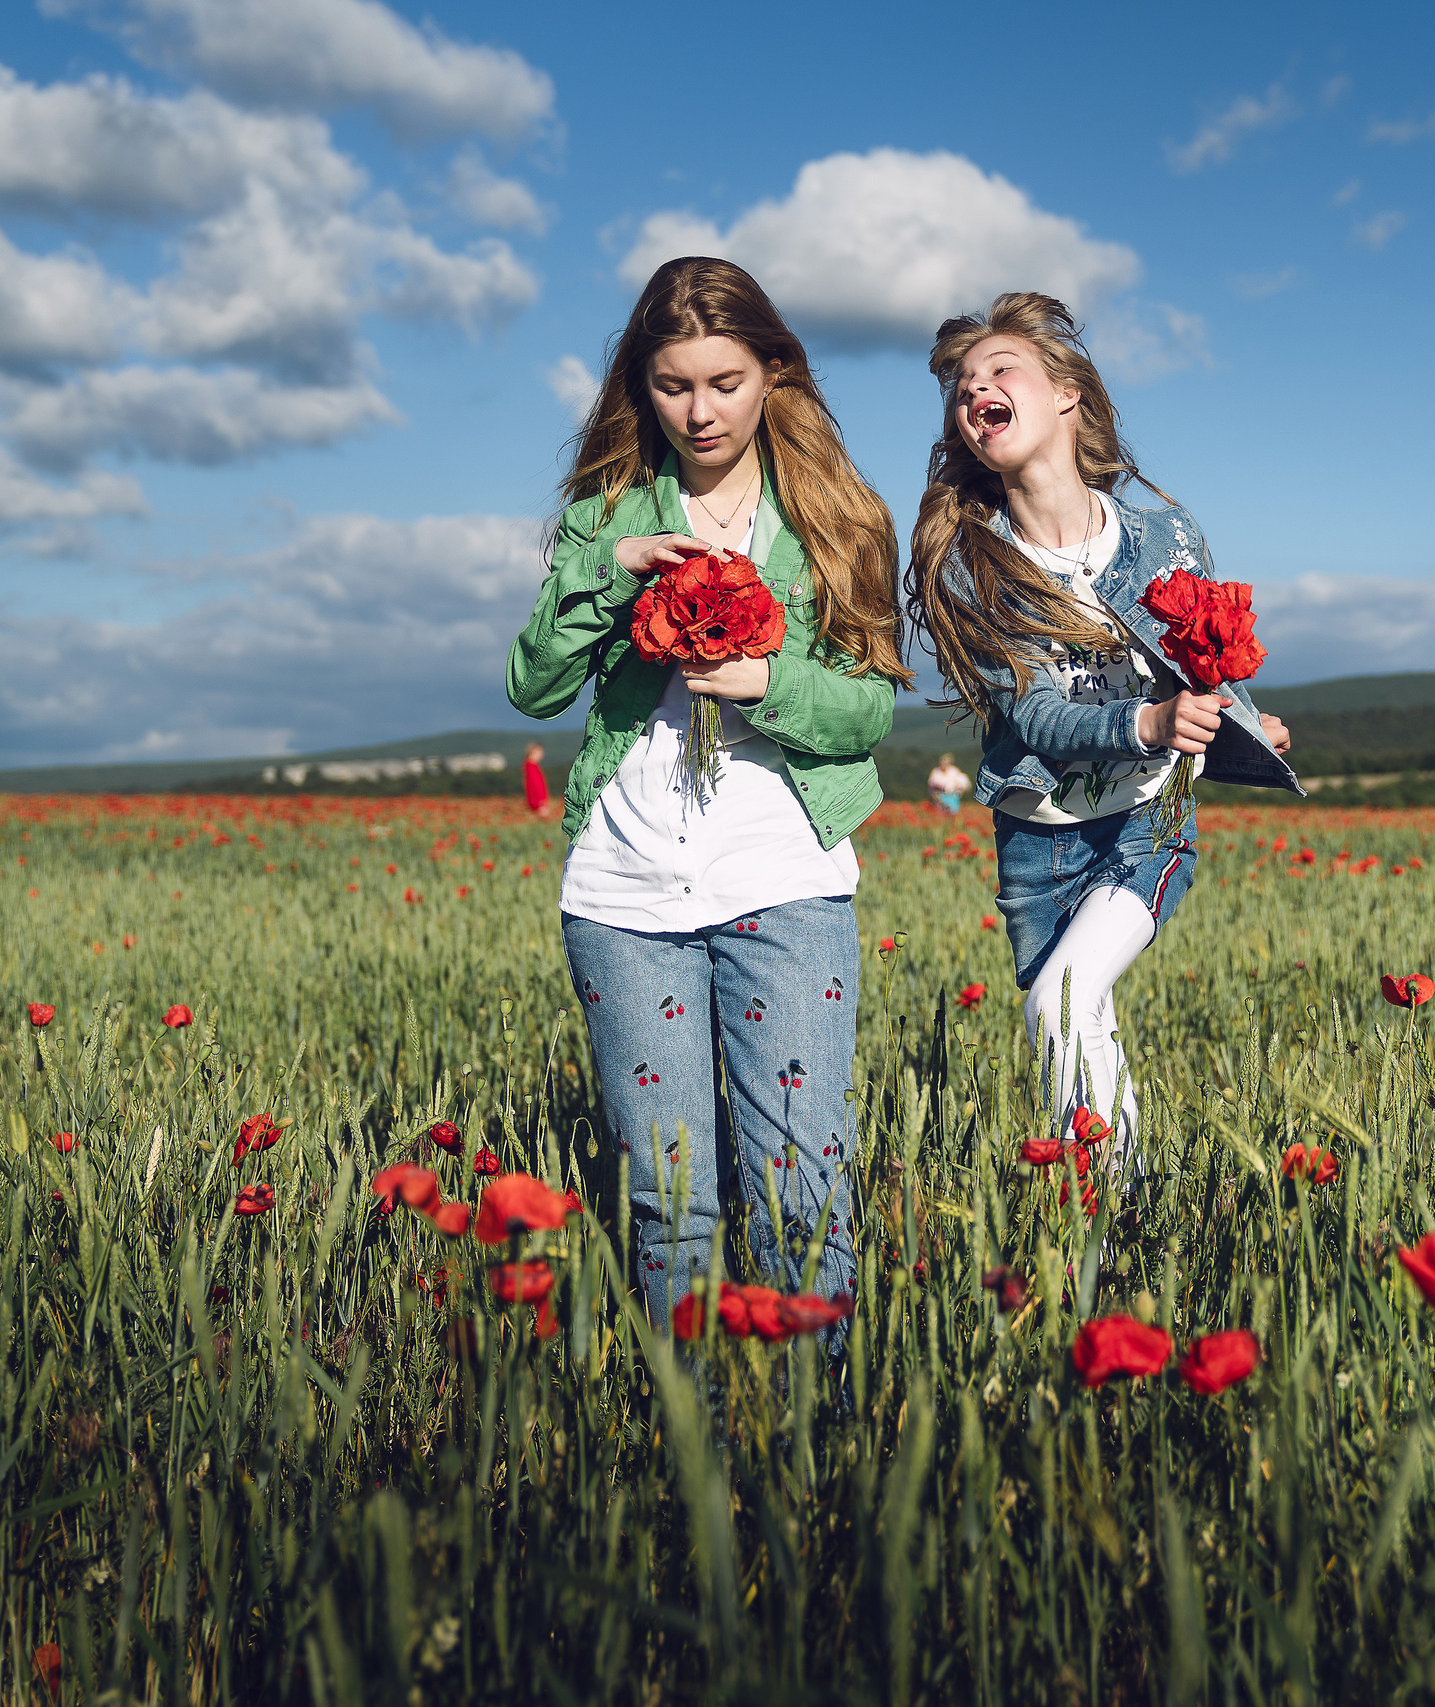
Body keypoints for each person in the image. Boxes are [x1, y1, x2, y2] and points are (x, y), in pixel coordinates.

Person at [507, 256, 908, 1324]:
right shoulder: (607, 516)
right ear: (641, 384)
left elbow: (872, 709)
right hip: (623, 896)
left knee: (799, 1193)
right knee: (667, 1201)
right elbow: (532, 686)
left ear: (774, 371)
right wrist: (609, 572)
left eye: (724, 383)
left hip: (786, 884)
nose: (699, 412)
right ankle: (688, 1453)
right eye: (672, 385)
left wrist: (766, 683)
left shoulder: (838, 516)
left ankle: (809, 1458)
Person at [905, 293, 1299, 1161]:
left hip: (1147, 822)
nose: (976, 392)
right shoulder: (978, 566)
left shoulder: (1164, 534)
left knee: (1060, 1000)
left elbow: (1204, 659)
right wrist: (1153, 719)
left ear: (1066, 396)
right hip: (1039, 836)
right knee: (1081, 1023)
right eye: (963, 388)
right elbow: (1035, 713)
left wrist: (1235, 719)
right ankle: (1113, 1222)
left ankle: (1102, 1206)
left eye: (1000, 371)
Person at [520, 741, 550, 817]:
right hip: (537, 800)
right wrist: (540, 800)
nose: (542, 754)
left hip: (535, 799)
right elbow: (536, 784)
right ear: (533, 752)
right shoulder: (531, 767)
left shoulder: (529, 766)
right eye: (540, 752)